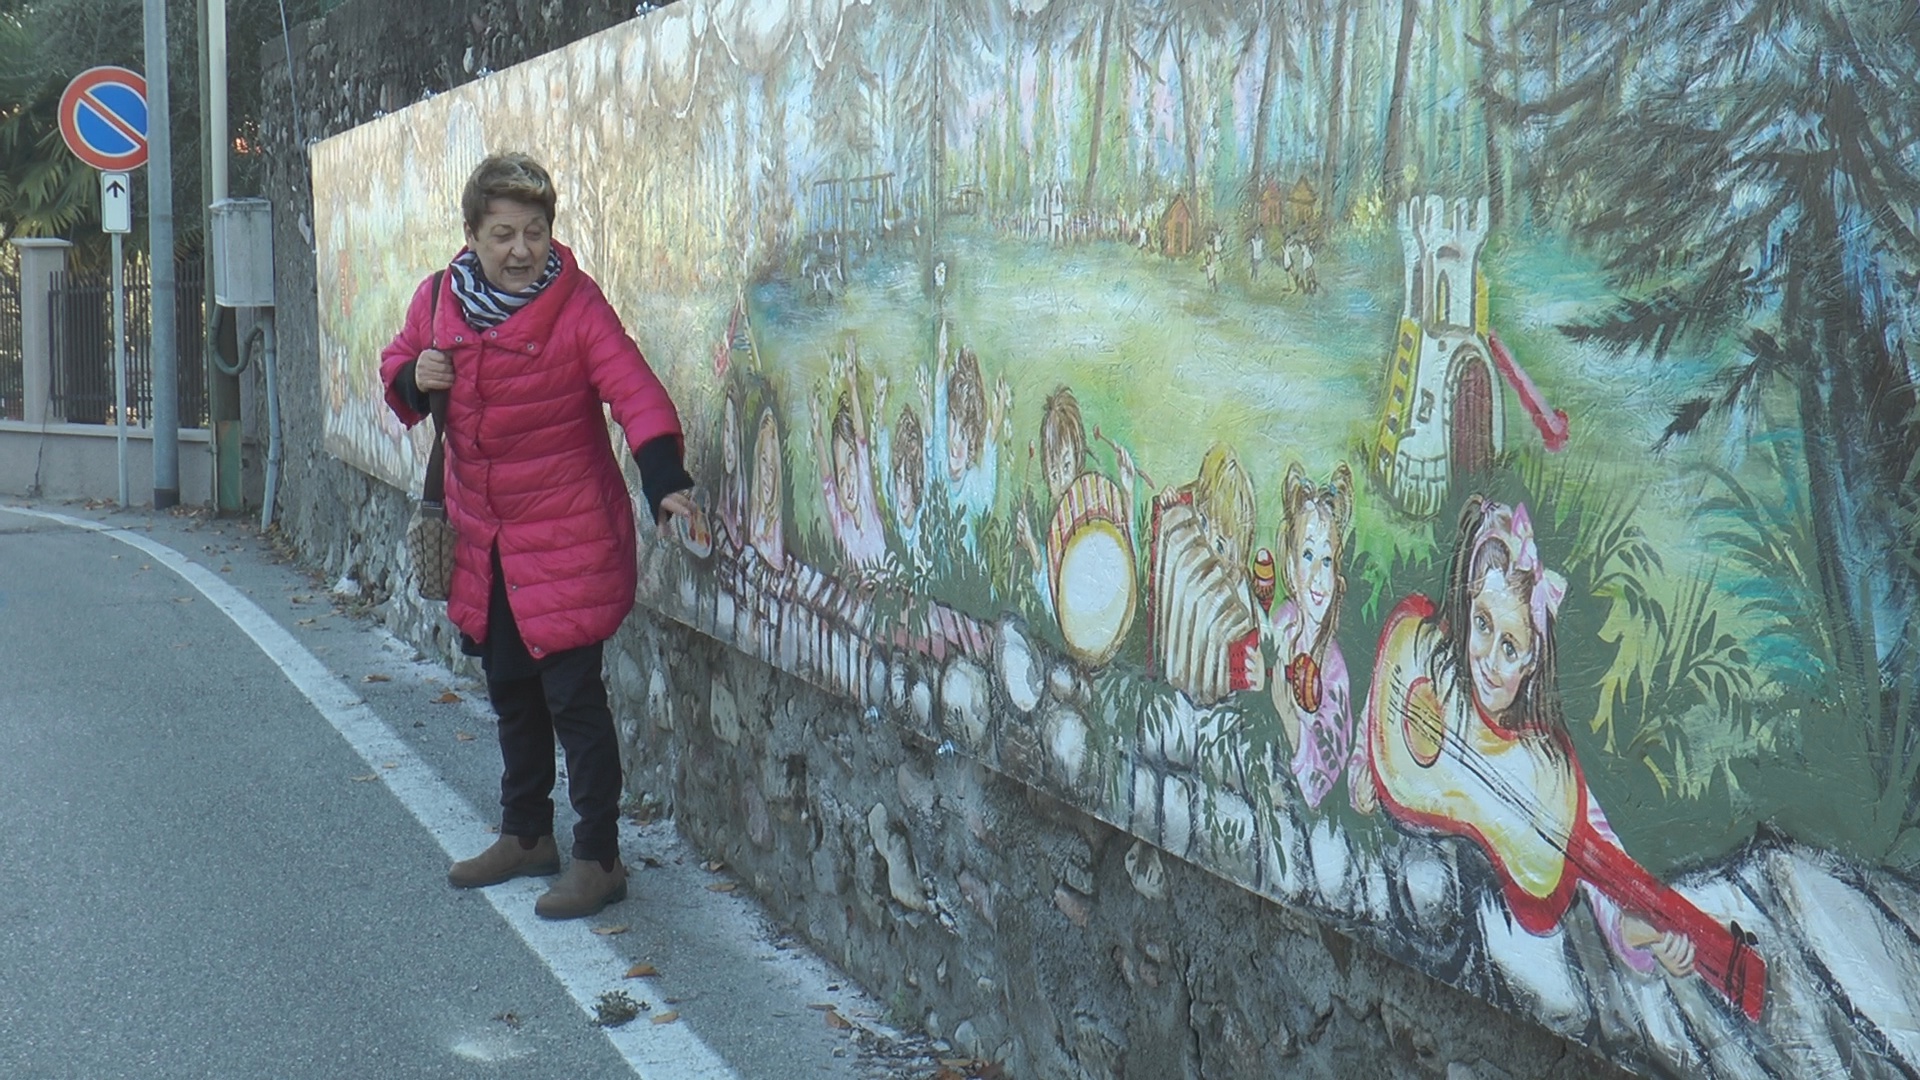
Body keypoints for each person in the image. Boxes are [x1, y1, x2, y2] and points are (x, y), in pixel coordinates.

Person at [379, 152, 694, 920]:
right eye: (503, 234)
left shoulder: (576, 306)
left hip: (567, 539)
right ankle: (526, 835)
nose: (521, 250)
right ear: (471, 236)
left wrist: (664, 477)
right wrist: (416, 376)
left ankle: (599, 857)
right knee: (512, 692)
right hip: (484, 543)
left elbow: (633, 388)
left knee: (574, 702)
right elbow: (398, 369)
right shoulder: (439, 300)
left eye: (535, 232)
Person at [1355, 497, 1697, 979]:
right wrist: (1362, 765)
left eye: (1511, 647)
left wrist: (1646, 935)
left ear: (1533, 662)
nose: (1489, 660)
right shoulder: (1429, 655)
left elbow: (1602, 873)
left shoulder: (1547, 770)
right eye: (1482, 624)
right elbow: (1385, 691)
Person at [1252, 462, 1357, 813]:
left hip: (1297, 811)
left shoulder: (1333, 670)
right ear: (1290, 564)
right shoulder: (1282, 622)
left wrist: (1291, 721)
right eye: (1308, 555)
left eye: (1326, 561)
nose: (1316, 576)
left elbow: (1321, 783)